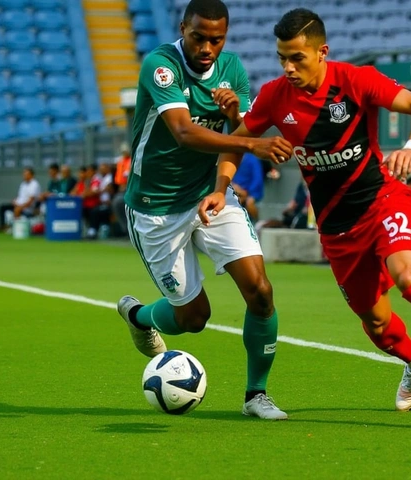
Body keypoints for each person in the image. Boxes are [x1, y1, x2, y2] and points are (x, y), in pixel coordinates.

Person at [198, 9, 411, 428]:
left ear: (322, 52)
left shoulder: (356, 80)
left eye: (297, 58)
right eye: (282, 58)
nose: (288, 67)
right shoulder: (274, 96)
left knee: (410, 278)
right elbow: (236, 142)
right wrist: (221, 187)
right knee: (376, 323)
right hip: (337, 229)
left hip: (382, 199)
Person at [117, 0, 293, 420]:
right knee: (194, 318)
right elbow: (182, 131)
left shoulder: (232, 68)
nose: (208, 47)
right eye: (199, 37)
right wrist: (252, 143)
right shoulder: (161, 65)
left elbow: (240, 130)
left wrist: (234, 115)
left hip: (210, 196)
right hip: (155, 209)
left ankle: (256, 395)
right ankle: (140, 317)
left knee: (261, 291)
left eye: (217, 39)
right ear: (184, 28)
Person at [232, 152, 264, 221]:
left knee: (250, 204)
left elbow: (257, 178)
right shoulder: (230, 158)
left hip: (250, 192)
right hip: (234, 190)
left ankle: (256, 223)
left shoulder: (252, 160)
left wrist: (249, 193)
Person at [112, 143, 132, 237]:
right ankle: (126, 229)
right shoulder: (121, 162)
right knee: (117, 202)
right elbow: (119, 180)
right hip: (123, 190)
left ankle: (131, 229)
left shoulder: (133, 160)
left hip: (131, 189)